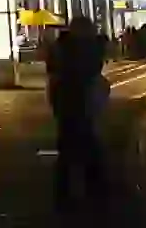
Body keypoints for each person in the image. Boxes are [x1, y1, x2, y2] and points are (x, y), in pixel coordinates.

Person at [46, 16, 109, 210]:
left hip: (68, 106)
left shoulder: (62, 48)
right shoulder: (78, 50)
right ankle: (92, 191)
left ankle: (67, 194)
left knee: (70, 152)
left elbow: (55, 78)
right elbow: (90, 69)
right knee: (85, 149)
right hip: (77, 105)